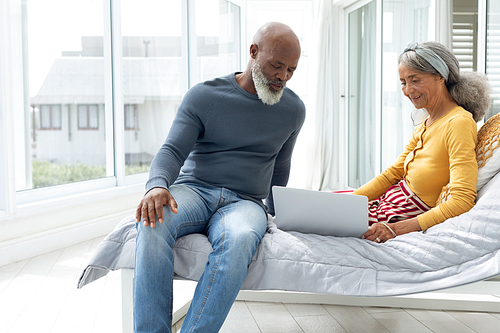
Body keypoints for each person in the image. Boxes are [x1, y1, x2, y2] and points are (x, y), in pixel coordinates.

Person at [133, 22, 305, 332]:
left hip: (246, 202)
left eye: (291, 70)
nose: (283, 77)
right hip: (195, 190)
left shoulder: (293, 110)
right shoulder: (204, 96)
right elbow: (172, 150)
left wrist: (280, 213)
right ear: (253, 52)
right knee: (153, 221)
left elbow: (281, 167)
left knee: (239, 240)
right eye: (276, 65)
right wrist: (157, 186)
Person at [357, 41, 491, 244]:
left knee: (313, 222)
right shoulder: (426, 122)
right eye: (403, 82)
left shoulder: (458, 123)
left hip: (397, 215)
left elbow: (461, 201)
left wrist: (395, 229)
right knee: (320, 207)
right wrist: (348, 200)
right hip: (386, 204)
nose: (408, 90)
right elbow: (392, 174)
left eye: (415, 80)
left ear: (440, 77)